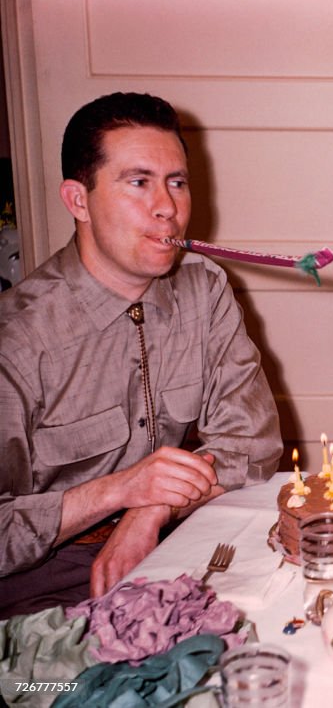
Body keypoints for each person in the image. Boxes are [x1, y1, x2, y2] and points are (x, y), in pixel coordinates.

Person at [0, 92, 282, 618]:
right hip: (42, 590)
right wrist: (115, 493)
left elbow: (253, 442)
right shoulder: (16, 338)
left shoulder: (205, 289)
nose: (168, 207)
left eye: (176, 182)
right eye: (138, 181)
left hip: (176, 546)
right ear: (78, 200)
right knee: (60, 695)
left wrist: (150, 506)